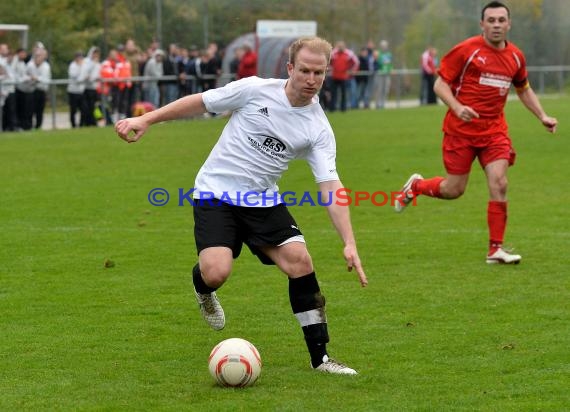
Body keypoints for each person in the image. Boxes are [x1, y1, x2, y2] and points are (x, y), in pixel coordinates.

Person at [115, 36, 368, 375]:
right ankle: (202, 288)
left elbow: (330, 185)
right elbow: (200, 101)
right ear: (290, 68)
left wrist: (348, 241)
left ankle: (321, 358)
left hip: (261, 199)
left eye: (318, 73)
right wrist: (146, 119)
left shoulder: (318, 127)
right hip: (215, 192)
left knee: (300, 261)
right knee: (216, 272)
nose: (311, 80)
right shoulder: (254, 90)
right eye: (305, 70)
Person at [394, 1, 558, 264]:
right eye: (491, 20)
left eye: (501, 20)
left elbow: (523, 89)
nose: (496, 25)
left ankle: (495, 249)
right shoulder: (467, 50)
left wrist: (542, 116)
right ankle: (417, 186)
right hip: (461, 131)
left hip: (494, 131)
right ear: (482, 24)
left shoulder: (516, 56)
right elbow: (440, 85)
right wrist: (457, 108)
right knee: (454, 189)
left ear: (509, 24)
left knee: (500, 183)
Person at [67, 51, 86, 128]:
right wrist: (80, 68)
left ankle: (81, 124)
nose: (80, 59)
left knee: (83, 109)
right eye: (78, 57)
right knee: (73, 110)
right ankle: (73, 125)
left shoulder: (83, 65)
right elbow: (74, 76)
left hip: (81, 91)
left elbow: (84, 75)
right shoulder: (72, 66)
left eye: (81, 57)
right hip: (73, 91)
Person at [373, 40, 393, 109]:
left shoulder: (389, 54)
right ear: (381, 46)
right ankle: (378, 104)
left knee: (386, 89)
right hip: (380, 73)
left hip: (387, 74)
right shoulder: (378, 53)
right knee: (379, 89)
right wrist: (382, 62)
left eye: (385, 46)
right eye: (383, 46)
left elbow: (390, 64)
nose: (384, 47)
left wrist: (391, 69)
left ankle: (383, 103)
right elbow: (378, 62)